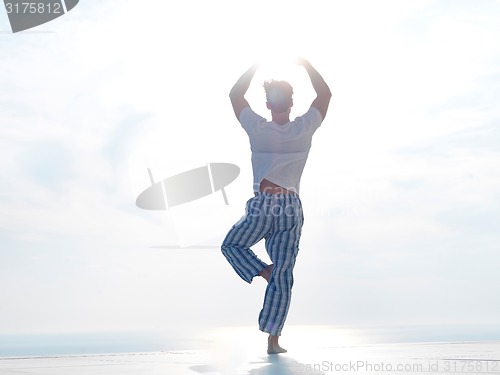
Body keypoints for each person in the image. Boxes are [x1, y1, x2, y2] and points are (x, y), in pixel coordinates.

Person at [221, 58, 331, 354]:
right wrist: (307, 66)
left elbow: (235, 95)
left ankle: (264, 274)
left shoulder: (257, 127)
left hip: (263, 205)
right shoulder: (304, 128)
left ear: (268, 105)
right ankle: (273, 340)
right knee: (282, 273)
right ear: (291, 104)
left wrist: (255, 65)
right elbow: (325, 96)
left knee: (232, 246)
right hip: (289, 208)